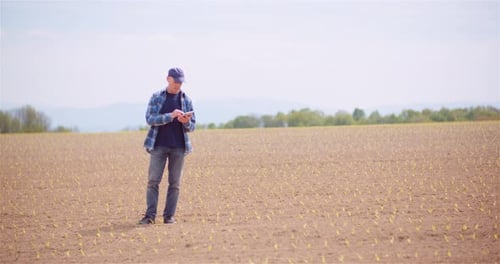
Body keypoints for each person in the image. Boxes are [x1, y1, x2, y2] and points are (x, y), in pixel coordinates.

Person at [139, 67, 196, 225]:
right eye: (176, 81)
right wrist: (170, 116)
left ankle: (169, 217)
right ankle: (149, 216)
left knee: (175, 183)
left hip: (179, 147)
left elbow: (192, 126)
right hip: (158, 145)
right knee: (153, 181)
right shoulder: (157, 97)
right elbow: (150, 119)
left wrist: (186, 122)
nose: (179, 84)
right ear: (168, 79)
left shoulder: (187, 100)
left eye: (181, 82)